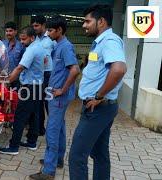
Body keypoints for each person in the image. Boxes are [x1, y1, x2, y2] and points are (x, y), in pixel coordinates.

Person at [69, 4, 127, 180]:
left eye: (87, 21)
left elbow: (118, 69)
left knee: (77, 156)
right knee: (100, 154)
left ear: (101, 21)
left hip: (97, 108)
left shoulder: (109, 41)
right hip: (102, 108)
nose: (84, 25)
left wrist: (98, 96)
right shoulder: (101, 43)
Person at [29, 16, 80, 180]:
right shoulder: (58, 45)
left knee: (52, 130)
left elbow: (74, 70)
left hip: (58, 96)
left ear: (59, 30)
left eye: (50, 30)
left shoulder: (65, 47)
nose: (48, 33)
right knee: (59, 127)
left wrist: (62, 90)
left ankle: (48, 171)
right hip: (55, 95)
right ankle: (57, 160)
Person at [0, 26, 46, 155]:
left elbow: (19, 68)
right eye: (21, 39)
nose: (22, 42)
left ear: (32, 37)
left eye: (24, 39)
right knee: (34, 114)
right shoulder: (40, 47)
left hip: (29, 87)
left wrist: (6, 81)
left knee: (19, 116)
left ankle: (13, 147)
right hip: (38, 85)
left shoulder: (31, 50)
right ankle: (32, 142)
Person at [31, 15, 55, 136]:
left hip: (48, 74)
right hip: (37, 74)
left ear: (43, 25)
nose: (34, 28)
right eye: (33, 26)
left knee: (49, 103)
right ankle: (40, 128)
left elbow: (56, 55)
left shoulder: (51, 38)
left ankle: (52, 129)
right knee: (38, 103)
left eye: (37, 25)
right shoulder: (34, 39)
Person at [2, 21, 25, 90]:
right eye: (6, 31)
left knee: (14, 99)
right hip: (3, 78)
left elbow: (23, 64)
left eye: (10, 31)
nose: (8, 33)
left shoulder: (21, 45)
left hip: (16, 79)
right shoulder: (2, 44)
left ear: (15, 32)